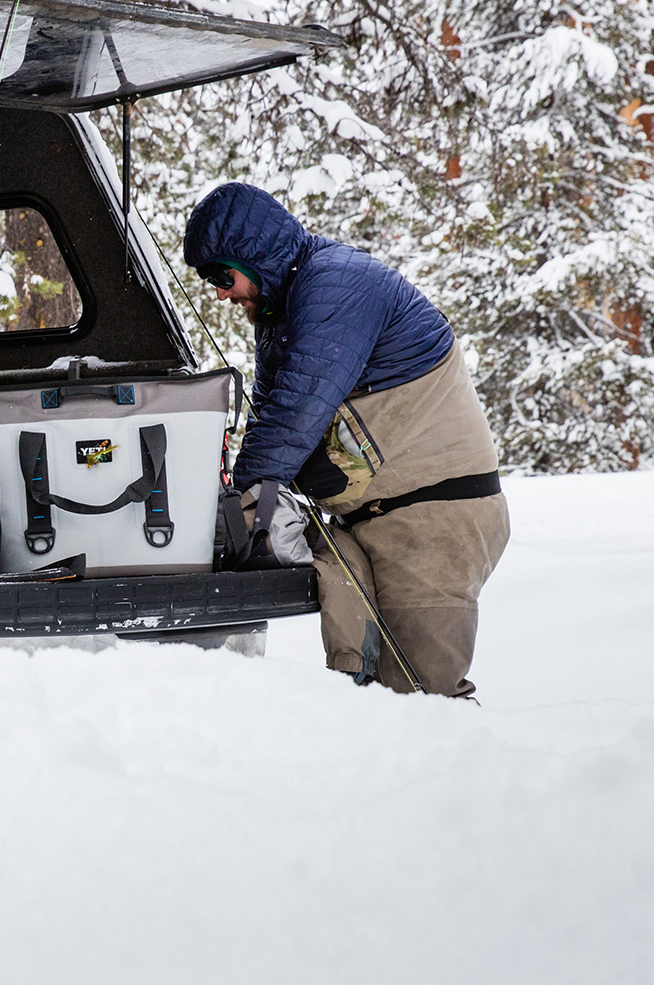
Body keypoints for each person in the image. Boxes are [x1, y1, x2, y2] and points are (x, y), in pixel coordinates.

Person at [184, 182, 507, 697]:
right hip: (371, 520)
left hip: (434, 521)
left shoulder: (337, 284)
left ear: (256, 255)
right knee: (370, 700)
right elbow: (269, 420)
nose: (220, 293)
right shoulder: (280, 312)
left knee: (426, 701)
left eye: (222, 275)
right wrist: (235, 499)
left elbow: (295, 414)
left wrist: (236, 508)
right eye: (208, 282)